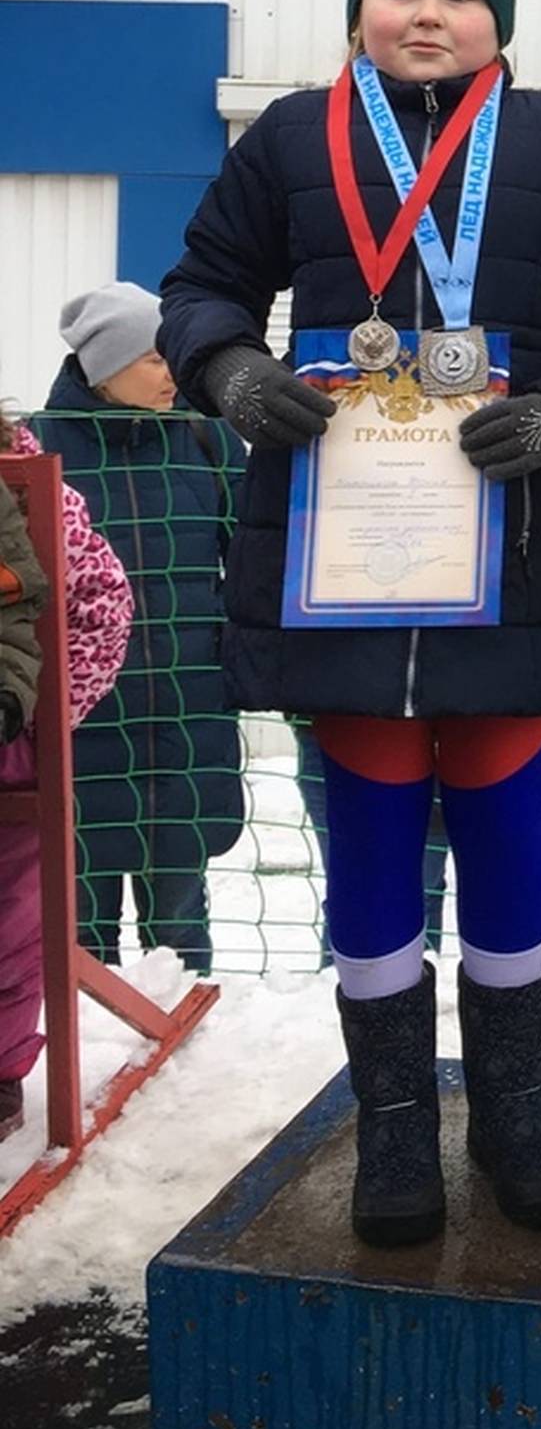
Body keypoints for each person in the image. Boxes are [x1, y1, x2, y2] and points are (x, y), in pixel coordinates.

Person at [159, 0, 541, 1247]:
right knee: (373, 827)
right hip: (342, 553)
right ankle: (394, 1114)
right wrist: (232, 371)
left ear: (498, 17)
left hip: (514, 545)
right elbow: (202, 286)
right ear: (359, 10)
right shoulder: (292, 137)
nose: (428, 14)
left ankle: (515, 1100)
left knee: (508, 819)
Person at [34, 285, 246, 976]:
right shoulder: (41, 452)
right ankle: (87, 1035)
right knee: (77, 930)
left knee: (180, 924)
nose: (173, 374)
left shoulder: (208, 438)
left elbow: (253, 561)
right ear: (104, 366)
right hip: (81, 729)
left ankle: (189, 1030)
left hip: (190, 718)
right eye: (156, 359)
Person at [0, 411, 134, 1141]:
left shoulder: (33, 489)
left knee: (13, 915)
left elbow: (102, 607)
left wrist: (45, 717)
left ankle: (0, 1071)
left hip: (9, 735)